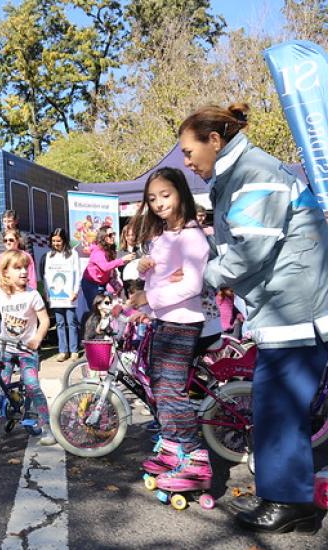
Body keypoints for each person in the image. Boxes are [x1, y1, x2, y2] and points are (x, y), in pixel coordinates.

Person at [179, 102, 328, 533]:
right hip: (288, 307)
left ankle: (287, 501)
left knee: (277, 408)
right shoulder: (242, 172)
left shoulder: (253, 172)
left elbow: (249, 250)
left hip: (294, 311)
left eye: (190, 152)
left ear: (214, 140)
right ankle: (291, 498)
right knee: (277, 407)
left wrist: (201, 276)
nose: (187, 163)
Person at [127, 168, 212, 501]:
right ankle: (173, 450)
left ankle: (195, 458)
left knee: (173, 391)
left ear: (180, 194)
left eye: (165, 195)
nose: (159, 203)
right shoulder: (163, 237)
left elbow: (191, 285)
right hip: (163, 321)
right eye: (152, 198)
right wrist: (145, 269)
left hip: (183, 323)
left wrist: (149, 296)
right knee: (161, 389)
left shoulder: (192, 236)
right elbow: (160, 279)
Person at [0, 250, 54, 445]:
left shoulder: (32, 295)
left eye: (25, 267)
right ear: (6, 273)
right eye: (18, 268)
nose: (24, 271)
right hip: (6, 349)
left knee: (32, 386)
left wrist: (37, 339)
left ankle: (46, 426)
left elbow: (44, 321)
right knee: (0, 385)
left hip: (27, 350)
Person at [77, 226, 134, 324]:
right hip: (91, 284)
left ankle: (104, 334)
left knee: (105, 311)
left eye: (114, 234)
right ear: (103, 237)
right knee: (97, 311)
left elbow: (110, 269)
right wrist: (122, 260)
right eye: (110, 235)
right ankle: (94, 335)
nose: (113, 237)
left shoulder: (108, 250)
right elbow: (105, 267)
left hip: (102, 283)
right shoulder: (98, 252)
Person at [39, 228, 80, 361]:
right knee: (60, 323)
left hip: (69, 295)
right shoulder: (49, 256)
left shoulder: (73, 255)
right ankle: (63, 351)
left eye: (59, 241)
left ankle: (74, 350)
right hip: (55, 296)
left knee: (71, 322)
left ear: (64, 240)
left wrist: (75, 290)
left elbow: (77, 274)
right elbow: (46, 276)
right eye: (54, 241)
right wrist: (46, 291)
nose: (56, 243)